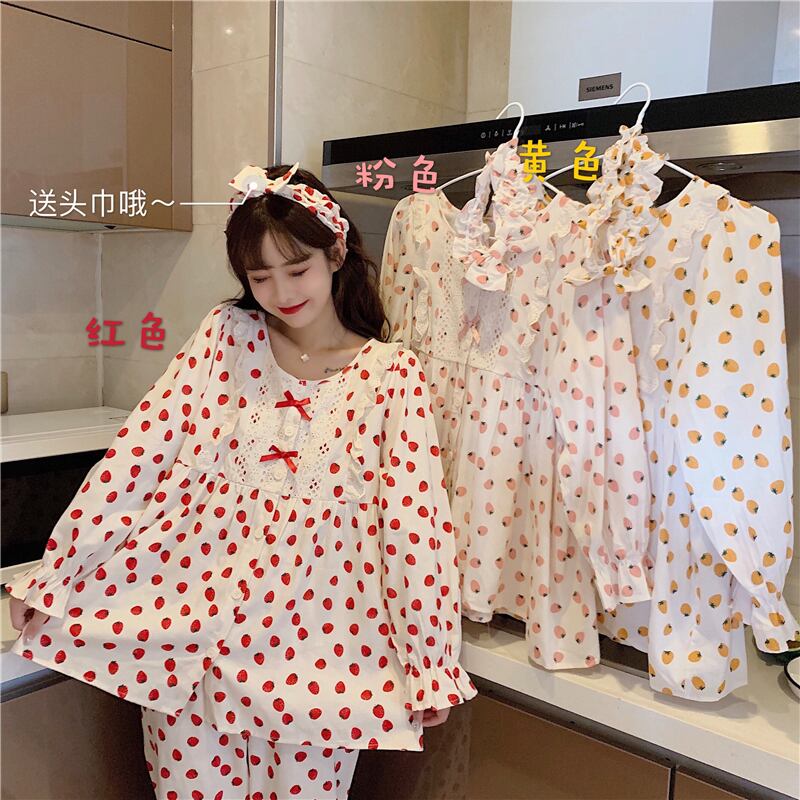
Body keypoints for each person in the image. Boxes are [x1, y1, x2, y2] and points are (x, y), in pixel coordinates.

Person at [6, 161, 478, 799]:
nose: (281, 290)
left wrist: (429, 661)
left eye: (297, 268)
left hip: (318, 659)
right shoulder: (224, 337)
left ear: (336, 253)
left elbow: (414, 528)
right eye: (260, 276)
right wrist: (58, 574)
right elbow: (137, 458)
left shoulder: (392, 376)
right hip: (191, 639)